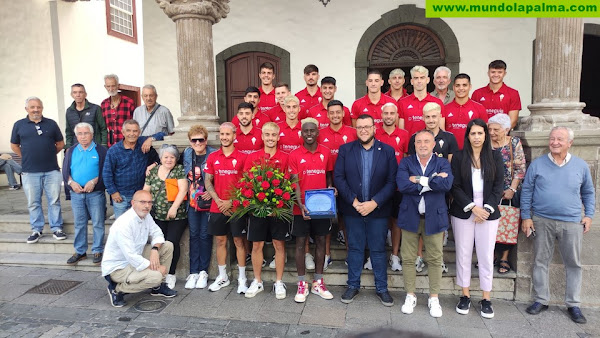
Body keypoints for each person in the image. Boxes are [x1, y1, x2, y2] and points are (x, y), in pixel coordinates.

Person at [521, 127, 595, 324]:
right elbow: (526, 191)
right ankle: (541, 299)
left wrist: (588, 215)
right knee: (540, 261)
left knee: (573, 263)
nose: (554, 142)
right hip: (541, 220)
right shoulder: (537, 164)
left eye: (560, 139)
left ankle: (573, 304)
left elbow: (588, 192)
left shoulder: (580, 166)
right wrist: (526, 217)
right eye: (552, 138)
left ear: (569, 143)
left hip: (571, 222)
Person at [334, 114, 397, 307]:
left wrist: (374, 202)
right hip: (353, 209)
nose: (363, 130)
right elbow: (339, 177)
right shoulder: (346, 150)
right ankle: (352, 285)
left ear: (374, 128)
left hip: (377, 210)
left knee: (378, 249)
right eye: (359, 127)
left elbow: (391, 181)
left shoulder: (387, 151)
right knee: (354, 248)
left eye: (367, 126)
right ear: (356, 129)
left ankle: (382, 288)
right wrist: (353, 201)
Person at [449, 119, 504, 319]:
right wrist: (473, 208)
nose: (477, 137)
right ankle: (464, 295)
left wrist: (486, 209)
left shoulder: (495, 157)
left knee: (486, 255)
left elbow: (499, 186)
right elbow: (454, 185)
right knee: (463, 253)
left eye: (480, 133)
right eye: (473, 134)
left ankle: (486, 298)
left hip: (488, 214)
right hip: (465, 211)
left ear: (486, 136)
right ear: (468, 136)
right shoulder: (458, 157)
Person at [396, 129, 453, 318]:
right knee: (408, 258)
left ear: (433, 144)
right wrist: (432, 182)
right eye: (419, 141)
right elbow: (403, 185)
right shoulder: (406, 162)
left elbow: (446, 185)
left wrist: (420, 180)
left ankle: (434, 298)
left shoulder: (442, 162)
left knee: (436, 259)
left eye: (426, 141)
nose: (422, 145)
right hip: (410, 217)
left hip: (434, 217)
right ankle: (410, 295)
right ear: (414, 144)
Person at [102, 190, 177, 308]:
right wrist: (157, 267)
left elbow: (157, 233)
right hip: (119, 268)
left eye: (149, 202)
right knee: (156, 276)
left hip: (136, 257)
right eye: (143, 202)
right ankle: (117, 289)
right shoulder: (124, 223)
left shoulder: (145, 216)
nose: (147, 206)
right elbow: (131, 256)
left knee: (167, 245)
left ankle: (157, 288)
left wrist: (154, 249)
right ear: (133, 203)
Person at [408, 102, 458, 273]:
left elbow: (449, 167)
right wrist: (431, 179)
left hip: (441, 191)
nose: (430, 119)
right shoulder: (416, 137)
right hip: (419, 191)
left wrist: (439, 181)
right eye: (427, 116)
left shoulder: (449, 138)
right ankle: (419, 257)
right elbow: (411, 166)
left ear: (440, 117)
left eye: (434, 116)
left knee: (439, 225)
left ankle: (438, 258)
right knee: (421, 221)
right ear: (423, 118)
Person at [288, 118, 335, 303]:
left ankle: (318, 282)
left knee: (322, 242)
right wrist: (300, 205)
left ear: (317, 132)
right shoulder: (294, 155)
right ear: (301, 133)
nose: (309, 134)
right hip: (301, 209)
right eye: (305, 131)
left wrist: (330, 189)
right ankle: (301, 284)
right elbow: (294, 182)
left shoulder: (326, 152)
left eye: (312, 131)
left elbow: (328, 176)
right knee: (300, 243)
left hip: (322, 208)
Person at [243, 122, 290, 299]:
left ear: (278, 137)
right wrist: (258, 205)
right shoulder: (252, 157)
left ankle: (279, 282)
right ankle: (258, 281)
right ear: (262, 136)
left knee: (279, 244)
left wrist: (275, 205)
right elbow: (247, 183)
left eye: (273, 135)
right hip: (258, 211)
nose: (270, 138)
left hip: (278, 211)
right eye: (267, 135)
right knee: (257, 245)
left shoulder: (285, 157)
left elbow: (288, 184)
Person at [11, 97, 66, 243]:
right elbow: (14, 145)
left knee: (54, 201)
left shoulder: (51, 124)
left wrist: (48, 153)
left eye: (38, 107)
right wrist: (27, 156)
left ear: (42, 108)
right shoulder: (19, 125)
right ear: (27, 109)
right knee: (33, 202)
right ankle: (36, 229)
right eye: (32, 107)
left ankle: (57, 228)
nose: (36, 110)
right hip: (30, 172)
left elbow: (60, 143)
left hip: (52, 170)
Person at [204, 122, 248, 293]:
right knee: (220, 241)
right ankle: (223, 277)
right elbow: (208, 181)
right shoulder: (213, 157)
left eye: (227, 134)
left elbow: (246, 184)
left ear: (234, 136)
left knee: (239, 242)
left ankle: (242, 278)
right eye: (222, 134)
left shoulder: (243, 157)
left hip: (236, 207)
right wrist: (219, 201)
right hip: (217, 207)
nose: (224, 137)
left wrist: (231, 201)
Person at [317, 100, 358, 269]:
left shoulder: (352, 132)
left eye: (338, 112)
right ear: (327, 115)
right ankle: (326, 255)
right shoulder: (320, 133)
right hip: (326, 180)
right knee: (326, 220)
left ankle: (350, 253)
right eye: (331, 112)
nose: (335, 115)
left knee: (348, 219)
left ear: (343, 114)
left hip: (349, 182)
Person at [143, 145, 188, 290]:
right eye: (166, 157)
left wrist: (174, 207)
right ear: (161, 158)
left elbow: (183, 189)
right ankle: (158, 274)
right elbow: (146, 190)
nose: (169, 160)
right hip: (157, 215)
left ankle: (171, 274)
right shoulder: (153, 171)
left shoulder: (179, 170)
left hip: (176, 216)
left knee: (172, 243)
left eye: (172, 157)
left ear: (176, 159)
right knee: (159, 243)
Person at [63, 122, 107, 265]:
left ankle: (97, 250)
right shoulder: (70, 151)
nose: (83, 137)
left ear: (92, 134)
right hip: (76, 193)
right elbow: (65, 171)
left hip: (95, 193)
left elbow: (105, 171)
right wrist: (71, 183)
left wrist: (94, 181)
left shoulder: (101, 151)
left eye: (86, 133)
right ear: (76, 136)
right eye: (80, 134)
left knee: (98, 222)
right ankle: (80, 251)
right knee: (79, 223)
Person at [488, 114, 526, 274]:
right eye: (490, 129)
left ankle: (504, 257)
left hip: (509, 191)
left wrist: (512, 189)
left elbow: (520, 168)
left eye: (496, 129)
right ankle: (490, 257)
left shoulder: (514, 142)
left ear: (506, 129)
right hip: (489, 191)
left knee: (508, 224)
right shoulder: (485, 144)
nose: (492, 132)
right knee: (489, 225)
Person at [373, 102, 409, 272]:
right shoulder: (375, 133)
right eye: (385, 113)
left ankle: (394, 256)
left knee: (396, 221)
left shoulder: (404, 135)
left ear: (396, 116)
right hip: (377, 186)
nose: (388, 116)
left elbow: (408, 159)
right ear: (381, 115)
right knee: (377, 221)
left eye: (391, 113)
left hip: (397, 187)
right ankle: (373, 255)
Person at [182, 125, 217, 290]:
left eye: (201, 139)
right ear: (190, 141)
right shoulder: (187, 154)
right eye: (194, 140)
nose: (198, 143)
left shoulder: (213, 154)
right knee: (193, 235)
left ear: (206, 140)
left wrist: (213, 191)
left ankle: (203, 271)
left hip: (208, 201)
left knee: (205, 235)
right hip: (192, 202)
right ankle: (193, 271)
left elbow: (220, 175)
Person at [103, 120, 159, 218]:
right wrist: (113, 192)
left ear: (139, 132)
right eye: (128, 131)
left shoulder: (143, 143)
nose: (132, 134)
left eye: (135, 131)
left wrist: (150, 139)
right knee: (122, 228)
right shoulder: (114, 151)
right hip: (122, 196)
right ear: (123, 132)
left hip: (141, 195)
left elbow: (162, 134)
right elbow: (107, 173)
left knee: (141, 225)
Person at [472, 60, 521, 129]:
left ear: (504, 73)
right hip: (482, 136)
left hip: (503, 136)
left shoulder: (513, 93)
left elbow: (513, 121)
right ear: (488, 73)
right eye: (493, 72)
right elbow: (474, 118)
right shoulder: (477, 93)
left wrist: (498, 133)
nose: (496, 75)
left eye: (500, 72)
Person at [398, 65, 445, 138]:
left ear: (427, 80)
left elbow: (441, 130)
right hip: (410, 147)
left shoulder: (437, 102)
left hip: (431, 147)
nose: (419, 81)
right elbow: (401, 132)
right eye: (416, 78)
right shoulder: (402, 102)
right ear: (412, 81)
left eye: (422, 78)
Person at [444, 73, 487, 149]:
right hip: (450, 153)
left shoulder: (479, 108)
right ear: (453, 87)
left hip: (472, 152)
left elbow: (485, 132)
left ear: (470, 87)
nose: (461, 88)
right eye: (457, 85)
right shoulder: (445, 108)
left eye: (464, 85)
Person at [65, 83, 107, 149]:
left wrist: (104, 145)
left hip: (94, 147)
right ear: (72, 95)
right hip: (77, 149)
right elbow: (69, 132)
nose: (78, 95)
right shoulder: (69, 111)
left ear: (85, 94)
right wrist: (68, 147)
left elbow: (103, 129)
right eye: (75, 92)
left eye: (80, 92)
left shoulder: (95, 108)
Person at [100, 74, 136, 147]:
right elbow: (103, 127)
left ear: (118, 86)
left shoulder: (129, 102)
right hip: (111, 145)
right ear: (105, 87)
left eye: (113, 86)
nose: (111, 89)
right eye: (108, 86)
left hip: (126, 143)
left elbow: (135, 123)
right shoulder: (104, 104)